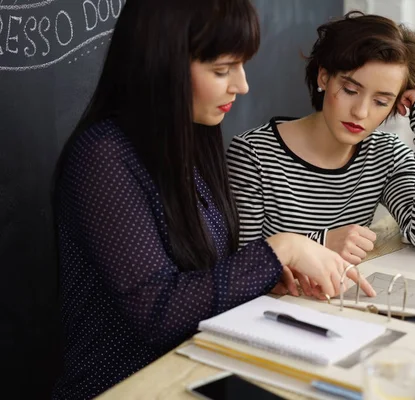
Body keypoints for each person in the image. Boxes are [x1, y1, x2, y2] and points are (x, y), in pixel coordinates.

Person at [52, 1, 373, 398]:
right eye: (222, 70)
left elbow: (200, 272)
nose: (241, 85)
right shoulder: (103, 156)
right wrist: (281, 249)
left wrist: (269, 277)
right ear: (162, 65)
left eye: (240, 66)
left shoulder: (192, 139)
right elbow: (158, 311)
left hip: (198, 369)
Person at [227, 12, 415, 267]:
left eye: (381, 102)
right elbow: (241, 267)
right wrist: (320, 243)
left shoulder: (386, 155)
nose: (360, 112)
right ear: (324, 77)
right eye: (350, 90)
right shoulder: (252, 154)